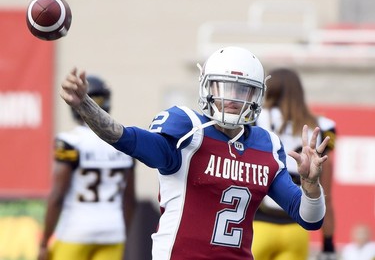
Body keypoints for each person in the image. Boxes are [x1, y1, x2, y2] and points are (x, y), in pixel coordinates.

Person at [60, 46, 330, 260]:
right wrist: (86, 106)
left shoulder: (265, 144)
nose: (233, 99)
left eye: (243, 90)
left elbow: (309, 218)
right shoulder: (188, 129)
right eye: (224, 88)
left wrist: (310, 185)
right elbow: (125, 138)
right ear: (207, 88)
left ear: (257, 96)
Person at [38, 75, 136, 260]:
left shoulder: (71, 141)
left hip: (76, 230)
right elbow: (130, 199)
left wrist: (44, 242)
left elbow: (58, 195)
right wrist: (122, 233)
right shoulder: (125, 141)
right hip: (113, 230)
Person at [252, 68, 337, 260]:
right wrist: (329, 244)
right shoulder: (322, 126)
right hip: (296, 229)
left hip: (258, 226)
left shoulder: (254, 119)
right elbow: (327, 195)